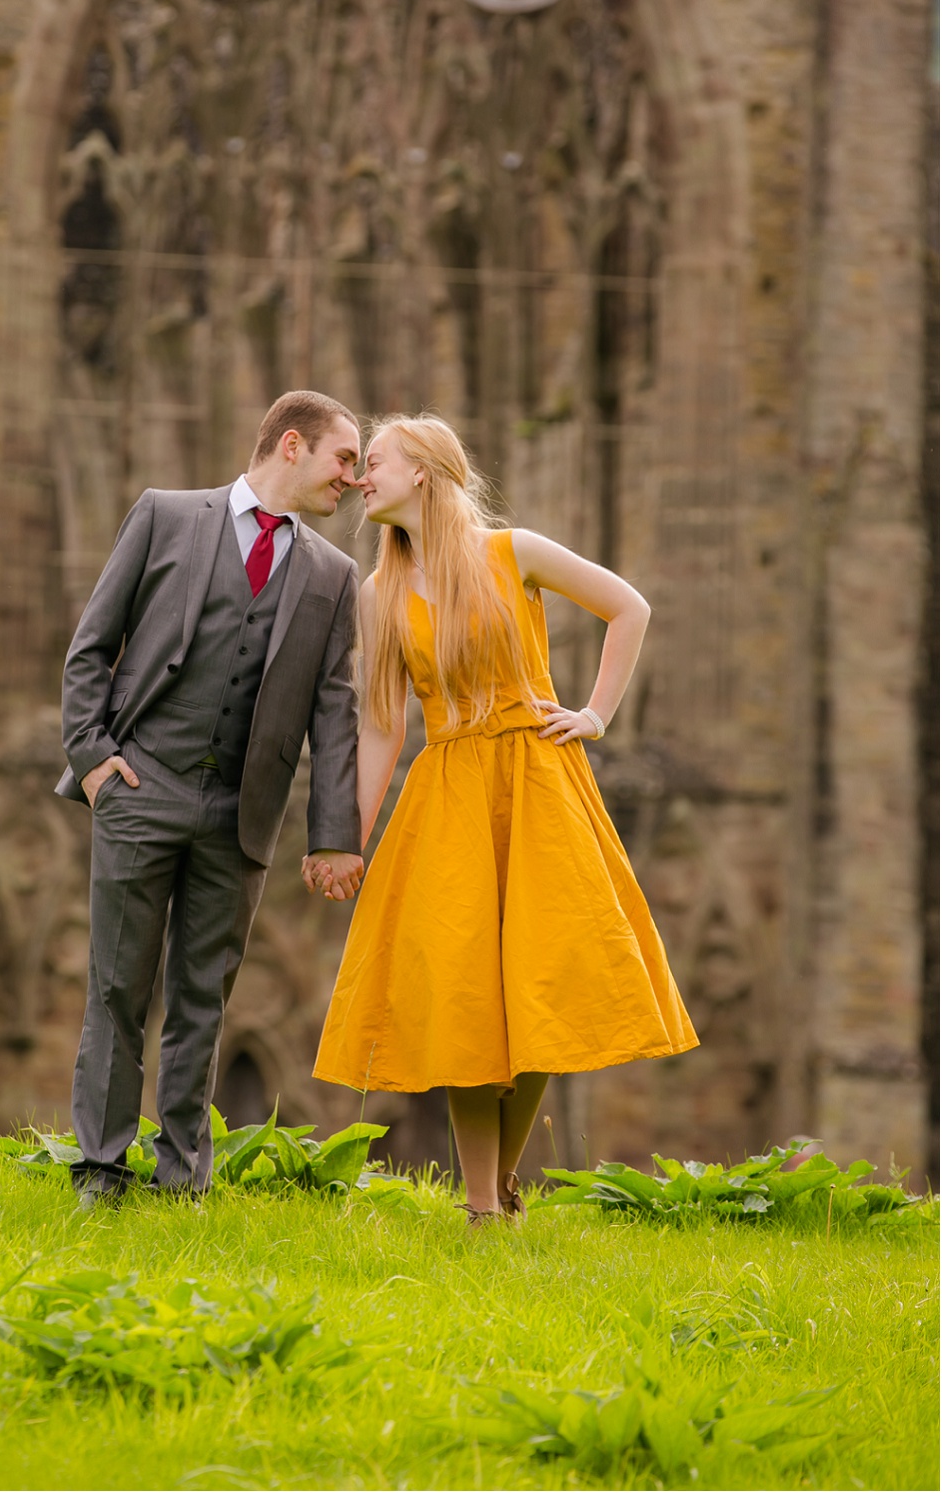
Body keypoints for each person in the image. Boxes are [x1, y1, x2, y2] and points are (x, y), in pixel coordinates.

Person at [310, 415, 698, 1225]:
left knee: (541, 983)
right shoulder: (377, 593)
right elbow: (381, 729)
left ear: (422, 471)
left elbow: (629, 608)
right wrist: (346, 838)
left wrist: (594, 715)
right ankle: (484, 1206)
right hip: (448, 790)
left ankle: (503, 1186)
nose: (358, 477)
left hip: (538, 783)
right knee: (463, 999)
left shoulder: (510, 552)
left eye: (373, 461)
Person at [56, 391, 366, 1206]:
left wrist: (335, 834)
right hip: (140, 786)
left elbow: (336, 713)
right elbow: (92, 644)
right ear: (290, 445)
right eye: (344, 458)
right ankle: (101, 1168)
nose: (355, 477)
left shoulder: (334, 576)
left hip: (241, 814)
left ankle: (182, 1177)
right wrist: (93, 761)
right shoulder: (165, 515)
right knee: (118, 987)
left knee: (204, 997)